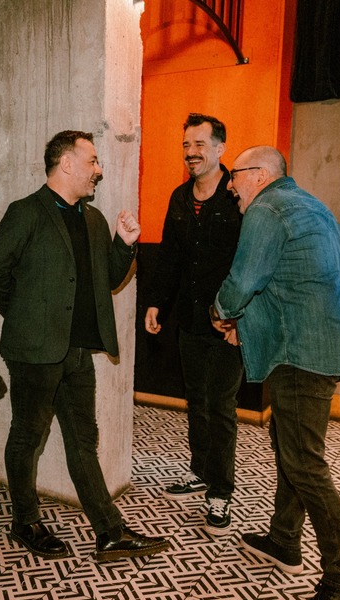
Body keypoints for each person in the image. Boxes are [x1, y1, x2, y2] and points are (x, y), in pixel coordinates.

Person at [0, 130, 170, 563]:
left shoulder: (94, 219)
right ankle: (25, 521)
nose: (99, 170)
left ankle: (110, 532)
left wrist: (124, 245)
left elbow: (107, 279)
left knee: (84, 440)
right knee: (27, 436)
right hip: (34, 352)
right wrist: (26, 316)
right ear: (66, 163)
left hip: (78, 353)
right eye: (93, 161)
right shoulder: (26, 212)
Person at [212, 145, 340, 600]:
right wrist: (247, 325)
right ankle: (283, 539)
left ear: (259, 175)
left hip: (301, 355)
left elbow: (246, 279)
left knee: (305, 463)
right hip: (315, 347)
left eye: (235, 176)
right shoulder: (308, 205)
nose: (230, 186)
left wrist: (220, 313)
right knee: (289, 448)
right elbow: (290, 283)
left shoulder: (268, 209)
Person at [143, 113, 243, 533]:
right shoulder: (180, 198)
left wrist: (240, 318)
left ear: (220, 148)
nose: (191, 152)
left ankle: (220, 492)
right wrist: (156, 303)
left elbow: (249, 262)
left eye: (199, 144)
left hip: (228, 325)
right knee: (197, 401)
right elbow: (170, 256)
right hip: (189, 319)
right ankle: (200, 472)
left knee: (221, 407)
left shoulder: (237, 195)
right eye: (186, 145)